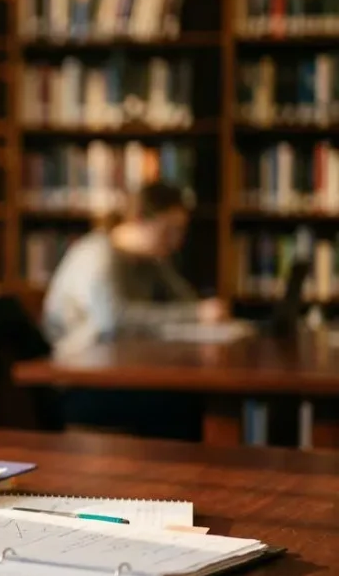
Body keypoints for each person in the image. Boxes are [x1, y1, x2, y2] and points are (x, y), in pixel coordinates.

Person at [41, 181, 225, 440]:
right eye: (168, 230)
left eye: (181, 231)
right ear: (139, 220)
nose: (176, 242)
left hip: (121, 375)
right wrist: (196, 314)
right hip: (81, 384)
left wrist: (167, 272)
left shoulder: (147, 260)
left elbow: (188, 301)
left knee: (183, 399)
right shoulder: (99, 255)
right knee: (176, 405)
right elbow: (114, 320)